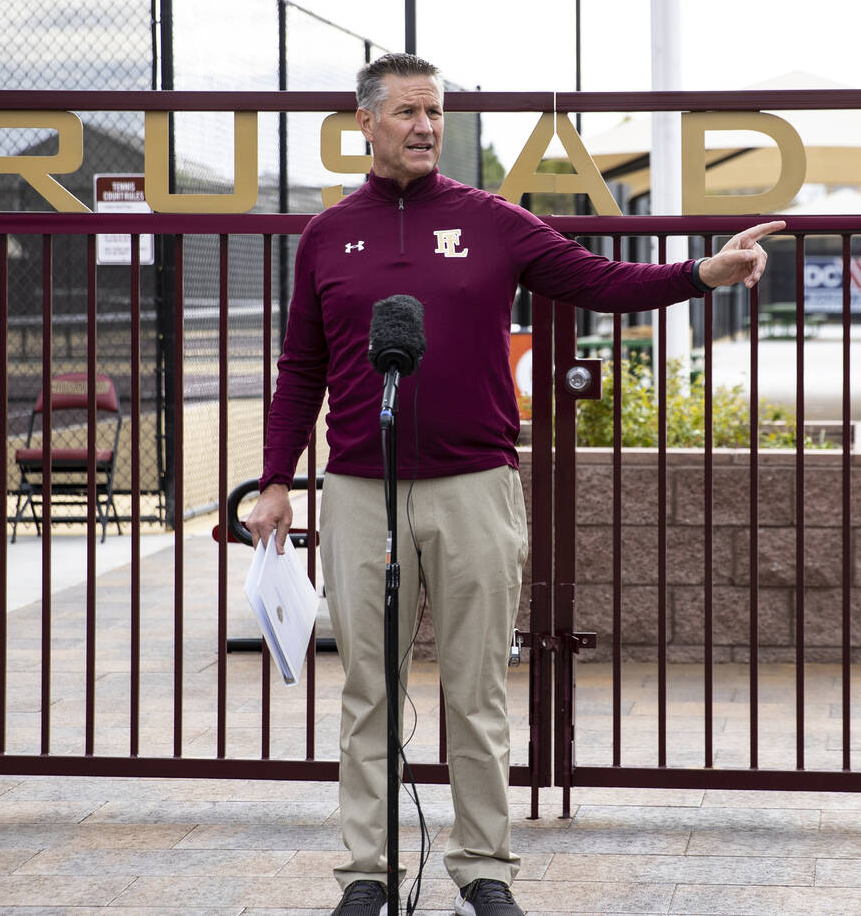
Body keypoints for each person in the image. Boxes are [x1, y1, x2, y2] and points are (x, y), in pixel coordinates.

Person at [245, 52, 784, 916]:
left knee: (477, 689)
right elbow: (300, 366)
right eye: (408, 111)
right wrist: (276, 478)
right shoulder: (325, 236)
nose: (425, 126)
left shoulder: (491, 220)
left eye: (435, 111)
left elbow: (599, 279)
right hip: (357, 486)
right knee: (366, 693)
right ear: (365, 124)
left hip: (475, 486)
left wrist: (697, 274)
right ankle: (365, 875)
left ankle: (483, 867)